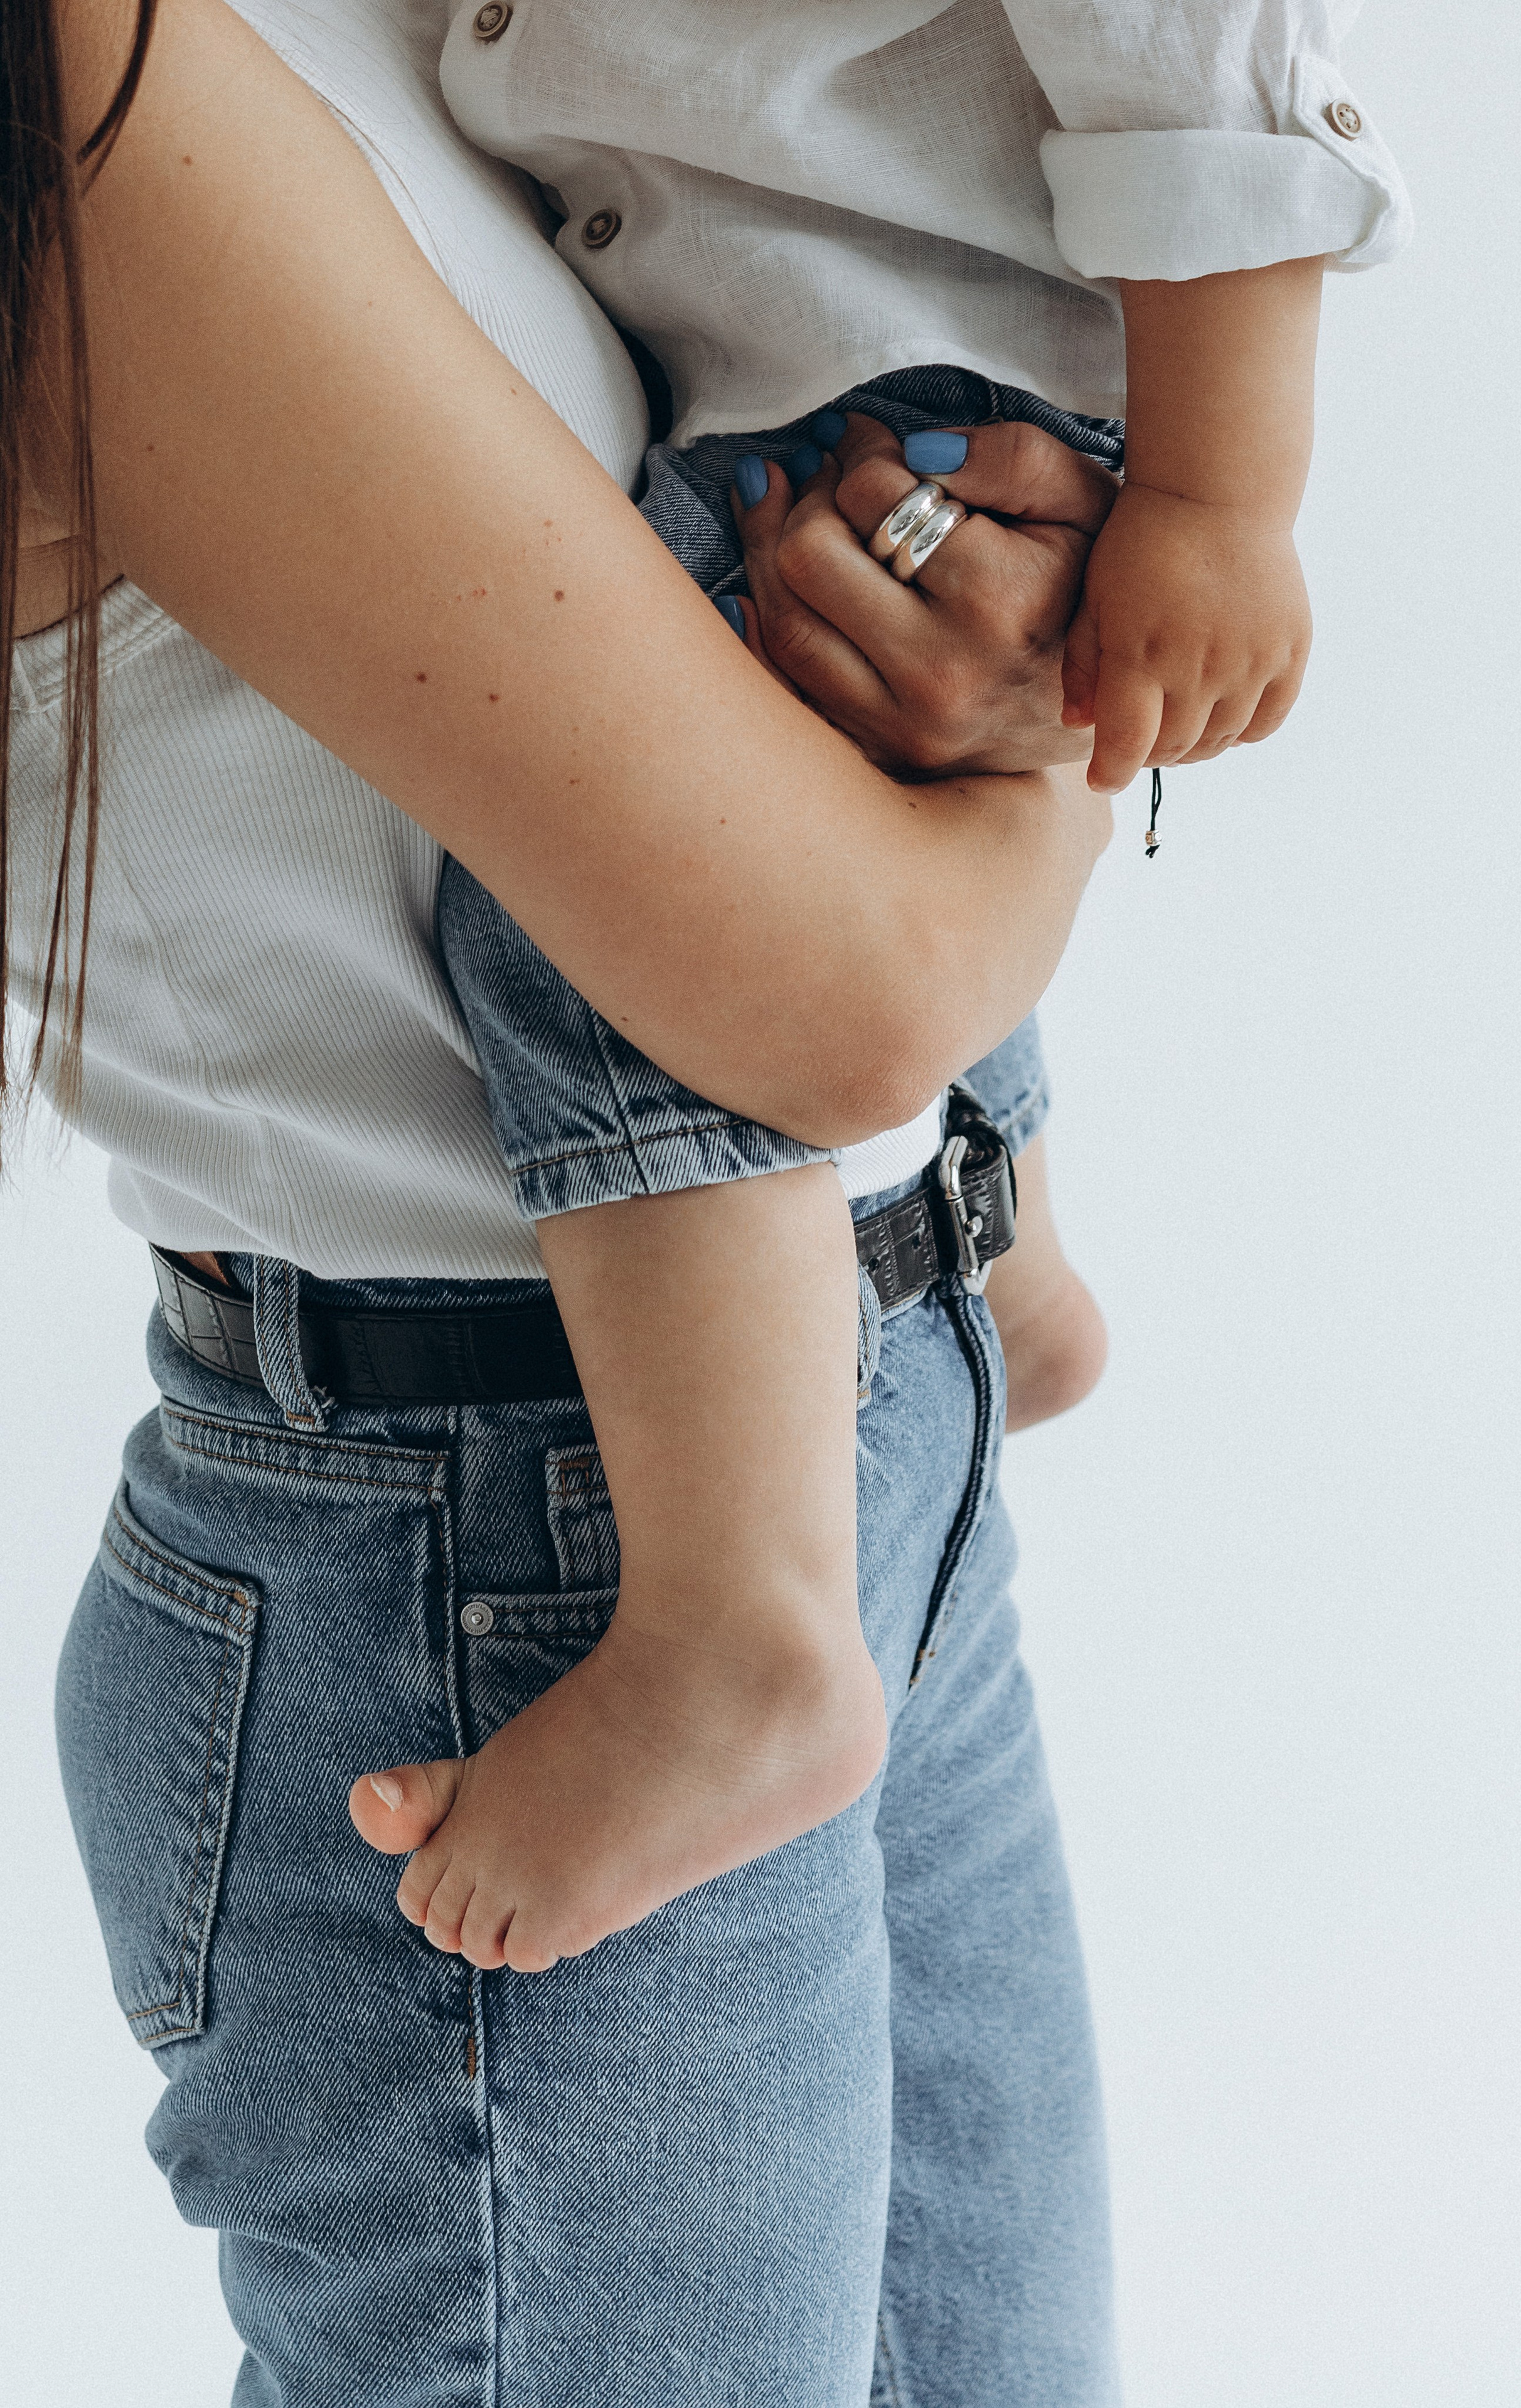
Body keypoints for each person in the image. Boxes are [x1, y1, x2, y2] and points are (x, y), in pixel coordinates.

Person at [8, 0, 1121, 2397]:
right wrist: (1056, 709)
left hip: (849, 1439)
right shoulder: (91, 94)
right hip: (496, 1567)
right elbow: (822, 996)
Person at [346, 0, 1412, 1972]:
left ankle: (738, 1633)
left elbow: (1209, 53)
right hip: (787, 353)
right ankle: (1001, 1243)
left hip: (905, 385)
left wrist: (1220, 502)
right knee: (813, 807)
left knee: (601, 903)